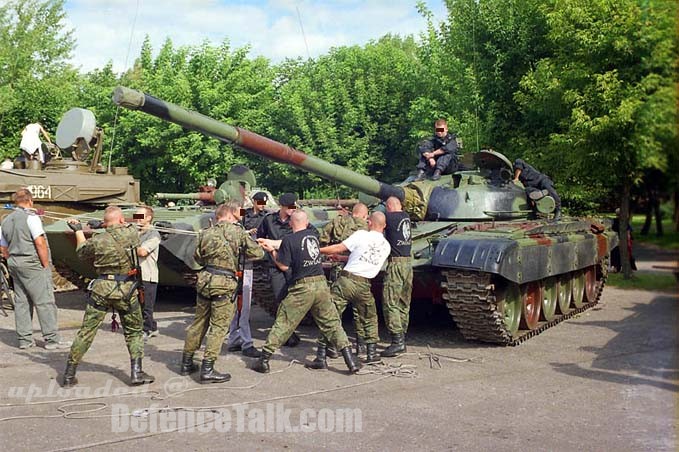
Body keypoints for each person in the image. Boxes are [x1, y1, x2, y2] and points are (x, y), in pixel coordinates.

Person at [253, 210, 360, 374]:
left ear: (290, 223)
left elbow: (283, 266)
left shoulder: (289, 239)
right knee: (332, 323)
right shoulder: (313, 237)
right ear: (307, 221)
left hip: (302, 287)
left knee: (284, 322)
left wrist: (271, 251)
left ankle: (264, 359)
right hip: (321, 285)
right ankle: (350, 362)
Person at [61, 206, 153, 388]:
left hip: (102, 289)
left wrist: (79, 230)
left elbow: (81, 252)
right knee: (134, 331)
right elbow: (135, 222)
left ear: (106, 222)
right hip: (127, 290)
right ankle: (136, 373)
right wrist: (108, 223)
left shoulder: (98, 239)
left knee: (86, 332)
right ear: (120, 220)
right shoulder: (132, 234)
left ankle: (69, 375)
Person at [180, 201, 264, 383]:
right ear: (232, 213)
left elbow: (197, 257)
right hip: (224, 282)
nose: (241, 215)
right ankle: (208, 368)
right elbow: (258, 254)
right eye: (239, 212)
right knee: (218, 327)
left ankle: (186, 362)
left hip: (205, 280)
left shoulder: (205, 233)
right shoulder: (238, 232)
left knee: (199, 323)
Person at [306, 211, 391, 368]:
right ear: (384, 225)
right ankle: (371, 353)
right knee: (369, 318)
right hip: (364, 285)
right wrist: (344, 259)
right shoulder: (386, 246)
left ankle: (321, 355)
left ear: (369, 223)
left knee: (330, 316)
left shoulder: (361, 235)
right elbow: (366, 258)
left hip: (346, 281)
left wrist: (317, 251)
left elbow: (338, 247)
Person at [0, 188, 71, 350]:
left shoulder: (6, 220)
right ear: (30, 201)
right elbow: (40, 243)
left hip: (15, 264)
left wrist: (12, 260)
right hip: (33, 264)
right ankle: (52, 340)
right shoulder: (31, 218)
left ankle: (25, 340)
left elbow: (3, 247)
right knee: (44, 301)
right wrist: (46, 266)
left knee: (22, 302)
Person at [256, 192, 315, 347]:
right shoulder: (269, 220)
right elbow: (260, 236)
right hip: (275, 265)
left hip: (294, 266)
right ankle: (288, 333)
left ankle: (287, 331)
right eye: (289, 207)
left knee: (296, 299)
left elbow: (312, 233)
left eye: (294, 206)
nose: (292, 209)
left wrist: (276, 243)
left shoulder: (296, 220)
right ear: (281, 206)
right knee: (280, 298)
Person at [318, 202, 369, 356]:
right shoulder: (366, 227)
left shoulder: (337, 221)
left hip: (338, 268)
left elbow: (323, 238)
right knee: (360, 309)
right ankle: (362, 345)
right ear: (365, 215)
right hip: (359, 271)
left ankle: (333, 346)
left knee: (335, 308)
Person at [226, 192, 270, 358]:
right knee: (242, 306)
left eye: (264, 202)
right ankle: (245, 342)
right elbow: (240, 223)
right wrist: (248, 235)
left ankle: (234, 339)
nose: (262, 205)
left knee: (239, 306)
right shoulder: (244, 213)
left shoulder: (267, 215)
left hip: (243, 264)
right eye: (259, 202)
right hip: (245, 262)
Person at [380, 197, 413, 357]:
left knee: (390, 301)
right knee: (403, 301)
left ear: (389, 206)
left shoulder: (389, 217)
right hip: (408, 263)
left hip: (396, 264)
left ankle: (397, 341)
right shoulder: (406, 216)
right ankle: (402, 337)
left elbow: (377, 222)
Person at [135, 206, 161, 340]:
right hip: (135, 274)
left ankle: (147, 329)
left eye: (140, 216)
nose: (137, 219)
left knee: (146, 306)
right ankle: (152, 326)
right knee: (137, 304)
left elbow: (142, 252)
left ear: (149, 218)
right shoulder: (135, 232)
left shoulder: (153, 234)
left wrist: (128, 244)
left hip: (147, 275)